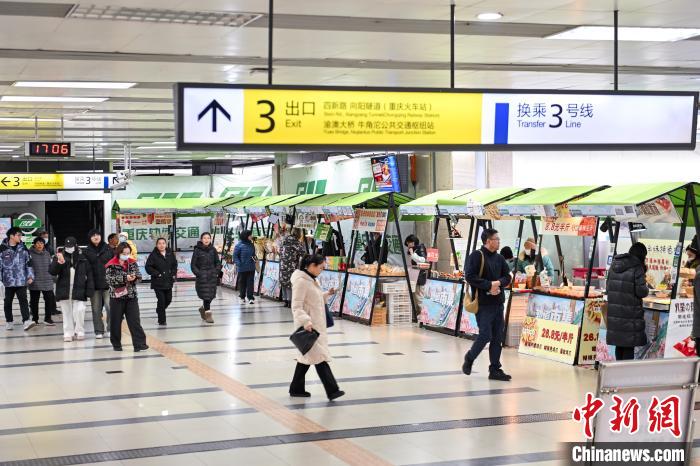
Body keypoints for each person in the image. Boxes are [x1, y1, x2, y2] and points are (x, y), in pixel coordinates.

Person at [289, 254, 345, 401]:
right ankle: (333, 390)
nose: (322, 270)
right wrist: (306, 322)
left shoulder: (312, 280)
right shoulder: (301, 282)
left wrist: (327, 294)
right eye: (320, 267)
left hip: (315, 325)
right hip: (309, 327)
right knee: (319, 358)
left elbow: (315, 299)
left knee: (305, 358)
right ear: (312, 266)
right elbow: (296, 306)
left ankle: (296, 388)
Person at [462, 228, 512, 381]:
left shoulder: (499, 258)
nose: (499, 241)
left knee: (497, 337)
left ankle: (495, 369)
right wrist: (489, 285)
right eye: (496, 239)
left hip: (498, 303)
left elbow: (507, 276)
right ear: (488, 241)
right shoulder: (477, 256)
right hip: (483, 304)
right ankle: (470, 358)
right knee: (485, 335)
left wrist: (498, 284)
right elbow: (470, 276)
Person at [606, 243, 650, 361]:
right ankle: (624, 376)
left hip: (615, 314)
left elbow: (608, 288)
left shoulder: (614, 265)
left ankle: (618, 373)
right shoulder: (637, 268)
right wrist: (647, 287)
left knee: (619, 345)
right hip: (630, 314)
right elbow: (642, 292)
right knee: (628, 347)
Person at [49, 237, 94, 342]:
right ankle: (68, 332)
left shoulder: (83, 257)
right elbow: (52, 271)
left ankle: (79, 330)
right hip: (64, 289)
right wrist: (59, 262)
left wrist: (89, 290)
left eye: (71, 246)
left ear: (76, 245)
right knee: (66, 312)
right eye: (67, 247)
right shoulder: (60, 256)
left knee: (80, 310)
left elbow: (89, 274)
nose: (69, 248)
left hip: (79, 288)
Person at [105, 242, 148, 352]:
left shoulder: (132, 263)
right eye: (124, 253)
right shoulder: (111, 264)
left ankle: (140, 343)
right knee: (115, 321)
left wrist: (134, 278)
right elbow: (109, 280)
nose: (126, 255)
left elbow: (139, 277)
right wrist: (125, 278)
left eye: (128, 253)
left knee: (134, 321)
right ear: (119, 253)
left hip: (131, 296)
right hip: (116, 297)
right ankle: (116, 344)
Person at [1, 227, 35, 331]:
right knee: (7, 303)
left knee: (23, 301)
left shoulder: (24, 248)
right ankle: (9, 322)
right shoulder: (2, 249)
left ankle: (26, 321)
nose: (20, 237)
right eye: (18, 235)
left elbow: (29, 263)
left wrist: (30, 276)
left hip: (21, 280)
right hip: (7, 281)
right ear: (11, 236)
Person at [84, 229, 113, 339]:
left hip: (108, 283)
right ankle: (98, 330)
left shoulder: (108, 249)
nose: (96, 237)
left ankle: (110, 328)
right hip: (94, 285)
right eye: (93, 235)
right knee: (96, 309)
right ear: (90, 238)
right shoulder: (87, 251)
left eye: (98, 235)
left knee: (110, 307)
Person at [145, 238, 178, 326]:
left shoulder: (170, 253)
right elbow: (148, 267)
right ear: (156, 245)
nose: (162, 245)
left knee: (169, 299)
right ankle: (162, 320)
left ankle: (159, 310)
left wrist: (173, 273)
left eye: (163, 243)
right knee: (161, 300)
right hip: (158, 282)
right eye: (159, 243)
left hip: (168, 280)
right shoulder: (153, 255)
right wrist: (157, 273)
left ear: (166, 244)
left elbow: (175, 264)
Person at [191, 232, 222, 323]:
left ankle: (203, 309)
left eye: (208, 238)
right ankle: (208, 315)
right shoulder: (197, 250)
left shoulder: (213, 250)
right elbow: (193, 265)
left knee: (211, 296)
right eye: (204, 238)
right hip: (202, 277)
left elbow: (217, 262)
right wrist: (199, 274)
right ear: (201, 239)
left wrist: (216, 271)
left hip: (212, 277)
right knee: (206, 296)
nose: (206, 240)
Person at [28, 237, 56, 326]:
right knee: (34, 302)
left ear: (44, 245)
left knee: (49, 300)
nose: (40, 245)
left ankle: (48, 318)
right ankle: (35, 319)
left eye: (41, 243)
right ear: (34, 244)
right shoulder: (29, 254)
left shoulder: (47, 254)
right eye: (38, 243)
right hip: (35, 281)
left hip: (47, 280)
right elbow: (28, 268)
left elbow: (51, 266)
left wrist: (53, 277)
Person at [279, 228, 306, 308]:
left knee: (284, 283)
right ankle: (290, 301)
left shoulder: (285, 239)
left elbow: (280, 251)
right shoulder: (295, 241)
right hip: (291, 265)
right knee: (291, 283)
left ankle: (285, 301)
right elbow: (302, 252)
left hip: (283, 264)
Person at [404, 234, 428, 316]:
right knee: (414, 296)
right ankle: (417, 313)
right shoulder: (413, 249)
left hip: (420, 275)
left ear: (413, 242)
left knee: (419, 296)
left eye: (409, 243)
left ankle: (423, 315)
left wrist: (412, 254)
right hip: (414, 275)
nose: (408, 245)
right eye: (407, 243)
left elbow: (422, 260)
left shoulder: (420, 248)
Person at [233, 230, 257, 305]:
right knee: (242, 282)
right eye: (250, 235)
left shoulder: (251, 245)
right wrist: (239, 263)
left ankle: (250, 297)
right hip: (242, 268)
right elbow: (235, 256)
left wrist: (255, 260)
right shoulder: (238, 245)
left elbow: (253, 254)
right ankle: (242, 296)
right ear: (246, 236)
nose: (251, 236)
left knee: (250, 282)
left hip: (251, 267)